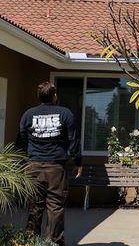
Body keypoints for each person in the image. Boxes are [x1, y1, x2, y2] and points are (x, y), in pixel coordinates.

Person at [17, 82, 82, 246]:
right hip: (56, 168)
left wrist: (27, 158)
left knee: (35, 206)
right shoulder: (65, 113)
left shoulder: (28, 114)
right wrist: (78, 162)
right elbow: (73, 141)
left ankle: (31, 242)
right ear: (55, 96)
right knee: (55, 207)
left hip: (33, 166)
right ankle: (54, 242)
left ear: (39, 97)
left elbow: (21, 139)